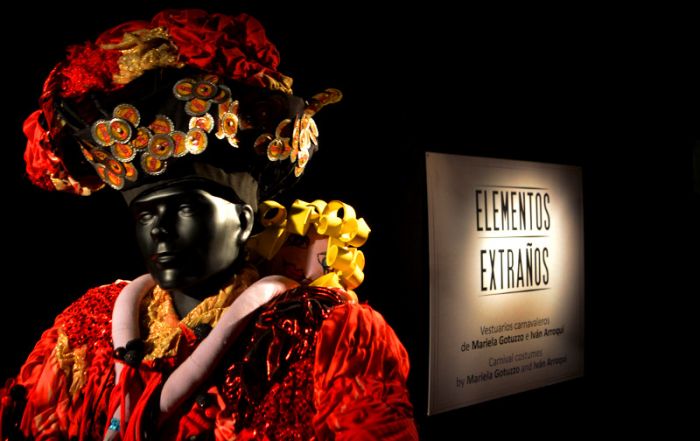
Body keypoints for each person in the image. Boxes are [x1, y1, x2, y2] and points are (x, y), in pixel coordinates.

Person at [0, 9, 418, 441]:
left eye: (184, 208)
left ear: (243, 220)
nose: (159, 229)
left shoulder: (323, 331)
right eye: (145, 214)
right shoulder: (88, 324)